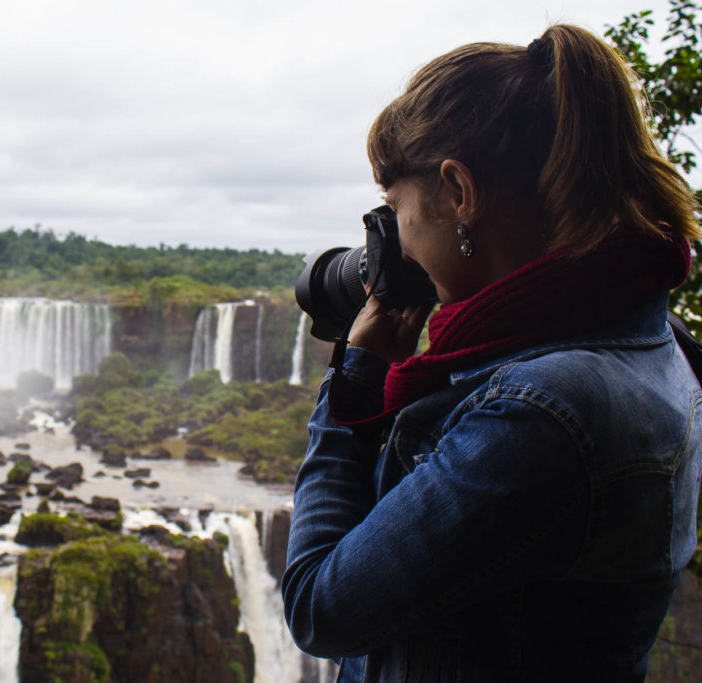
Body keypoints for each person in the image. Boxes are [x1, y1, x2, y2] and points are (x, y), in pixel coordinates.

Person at [281, 24, 702, 682]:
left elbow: (318, 606)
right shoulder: (646, 335)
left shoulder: (543, 414)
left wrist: (354, 392)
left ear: (459, 192)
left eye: (396, 208)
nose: (399, 242)